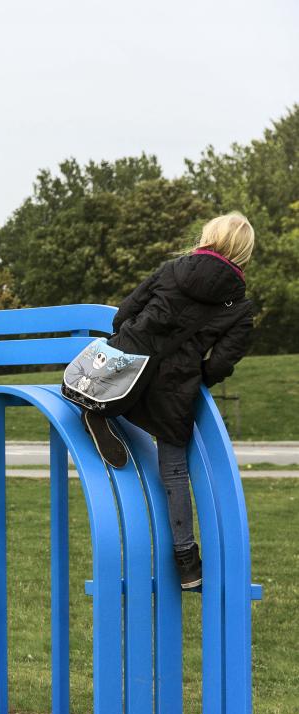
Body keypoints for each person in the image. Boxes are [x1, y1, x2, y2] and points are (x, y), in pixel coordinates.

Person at [84, 212, 257, 590]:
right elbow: (224, 361)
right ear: (244, 252)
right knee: (174, 471)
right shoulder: (240, 307)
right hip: (173, 389)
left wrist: (131, 339)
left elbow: (125, 311)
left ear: (207, 237)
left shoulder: (172, 270)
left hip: (128, 373)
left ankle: (100, 411)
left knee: (114, 399)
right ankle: (187, 563)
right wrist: (198, 375)